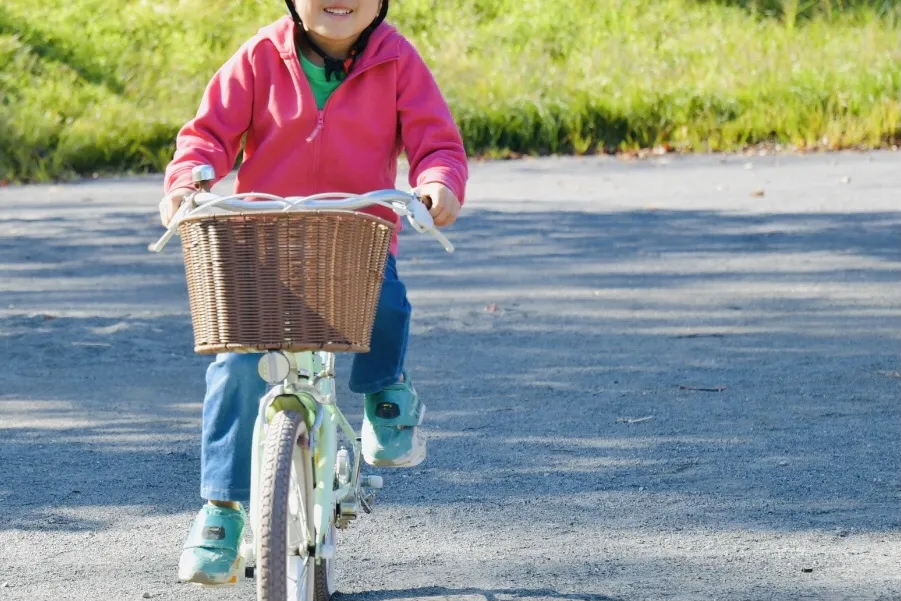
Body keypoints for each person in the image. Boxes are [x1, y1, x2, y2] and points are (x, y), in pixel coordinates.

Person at [158, 0, 468, 586]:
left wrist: (437, 184)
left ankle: (384, 392)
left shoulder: (396, 60)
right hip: (264, 245)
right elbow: (206, 138)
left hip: (355, 237)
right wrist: (187, 183)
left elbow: (437, 144)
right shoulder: (258, 58)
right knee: (236, 363)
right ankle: (221, 510)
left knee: (386, 299)